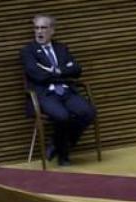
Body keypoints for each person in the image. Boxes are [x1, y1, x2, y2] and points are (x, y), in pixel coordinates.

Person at [21, 14, 97, 167]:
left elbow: (77, 69)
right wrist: (62, 72)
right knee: (63, 116)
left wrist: (53, 72)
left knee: (88, 112)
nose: (39, 32)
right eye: (36, 28)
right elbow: (36, 75)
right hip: (44, 94)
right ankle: (63, 155)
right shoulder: (28, 51)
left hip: (66, 91)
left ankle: (57, 143)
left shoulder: (61, 48)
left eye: (43, 28)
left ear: (52, 30)